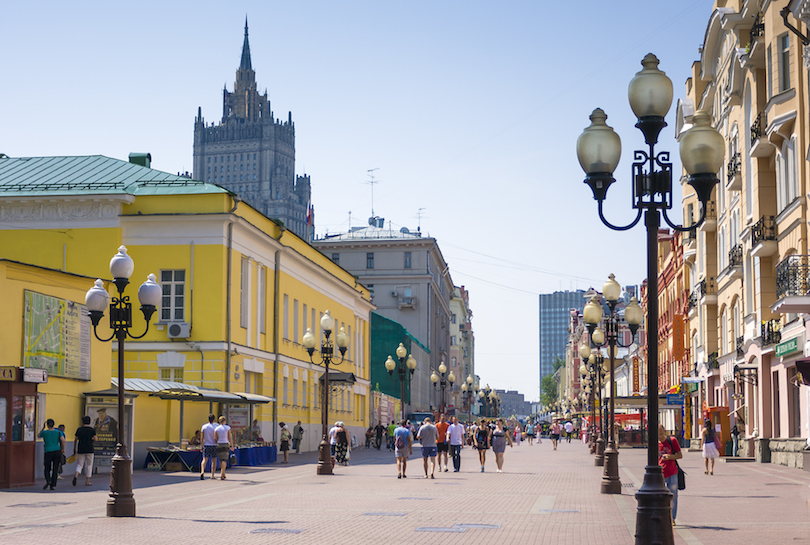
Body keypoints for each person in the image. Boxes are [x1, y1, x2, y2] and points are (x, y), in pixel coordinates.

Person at [658, 424, 683, 524]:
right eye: (658, 435)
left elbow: (680, 455)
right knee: (659, 496)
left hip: (672, 472)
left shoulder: (672, 441)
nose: (660, 437)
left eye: (661, 434)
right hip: (660, 474)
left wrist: (670, 457)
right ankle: (662, 515)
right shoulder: (656, 444)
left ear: (665, 432)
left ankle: (672, 518)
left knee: (673, 496)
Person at [39, 419, 64, 490]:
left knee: (47, 468)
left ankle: (48, 480)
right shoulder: (58, 432)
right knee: (55, 468)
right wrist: (62, 449)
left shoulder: (45, 432)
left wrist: (43, 428)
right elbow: (63, 440)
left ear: (47, 425)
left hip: (48, 451)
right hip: (57, 451)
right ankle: (53, 485)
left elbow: (38, 435)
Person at [73, 416, 97, 486]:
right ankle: (87, 481)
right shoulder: (92, 430)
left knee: (80, 464)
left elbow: (75, 439)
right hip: (90, 449)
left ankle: (76, 475)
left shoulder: (79, 429)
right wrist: (91, 441)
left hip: (81, 448)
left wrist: (74, 448)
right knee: (89, 465)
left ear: (82, 421)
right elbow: (95, 439)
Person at [214, 416, 233, 480]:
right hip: (225, 444)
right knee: (224, 460)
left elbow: (215, 438)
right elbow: (230, 437)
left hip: (219, 444)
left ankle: (223, 472)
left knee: (221, 459)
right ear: (224, 421)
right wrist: (232, 446)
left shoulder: (216, 428)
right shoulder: (227, 428)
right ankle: (222, 474)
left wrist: (218, 442)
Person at [200, 414, 218, 480]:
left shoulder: (204, 426)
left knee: (204, 459)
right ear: (214, 419)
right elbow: (216, 437)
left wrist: (201, 445)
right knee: (213, 460)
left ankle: (202, 471)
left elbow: (202, 437)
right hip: (214, 445)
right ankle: (212, 475)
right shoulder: (216, 427)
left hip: (206, 444)